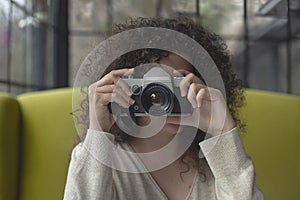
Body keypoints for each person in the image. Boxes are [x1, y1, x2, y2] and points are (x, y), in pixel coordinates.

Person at [64, 16, 264, 200]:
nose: (165, 98)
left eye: (178, 82)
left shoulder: (218, 164)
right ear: (127, 87)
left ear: (200, 85)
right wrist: (97, 131)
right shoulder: (101, 161)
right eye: (155, 88)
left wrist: (223, 131)